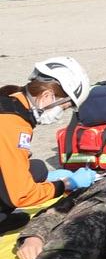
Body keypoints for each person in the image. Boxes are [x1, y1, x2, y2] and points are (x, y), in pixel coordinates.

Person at [1, 58, 95, 234]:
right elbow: (22, 195)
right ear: (46, 96)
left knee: (37, 169)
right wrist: (64, 185)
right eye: (64, 108)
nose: (60, 115)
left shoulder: (10, 100)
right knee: (24, 186)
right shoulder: (13, 125)